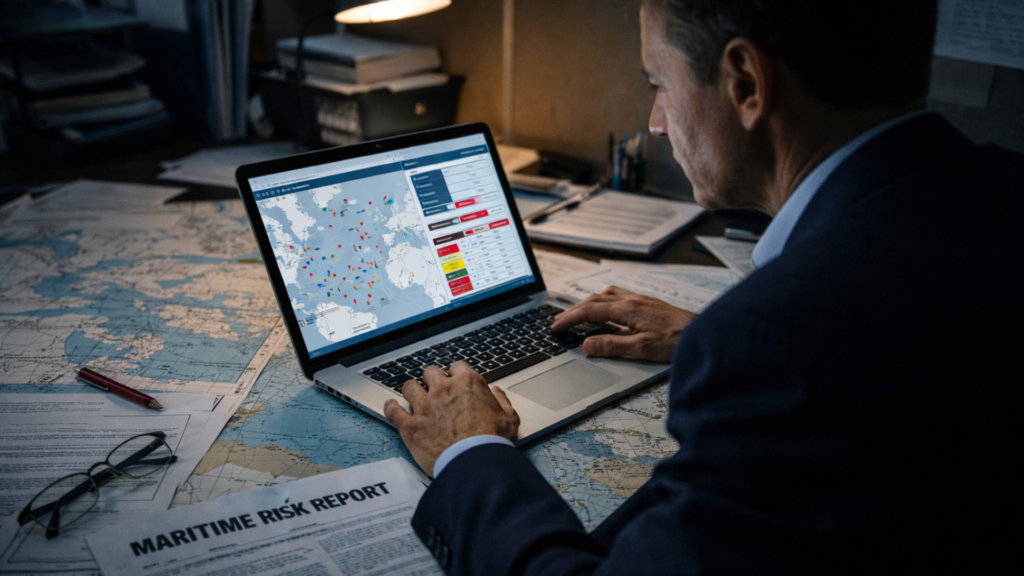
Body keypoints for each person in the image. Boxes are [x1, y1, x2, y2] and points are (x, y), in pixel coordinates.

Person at [383, 0, 1023, 573]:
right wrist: (716, 333)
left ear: (745, 82)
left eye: (659, 84)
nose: (656, 123)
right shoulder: (1002, 197)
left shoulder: (772, 343)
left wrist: (471, 451)